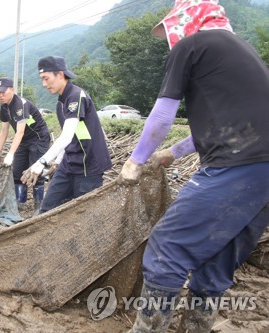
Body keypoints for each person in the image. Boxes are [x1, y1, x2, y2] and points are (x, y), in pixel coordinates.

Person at [117, 1, 269, 332]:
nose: (170, 38)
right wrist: (173, 152)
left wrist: (136, 160)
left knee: (167, 246)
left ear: (183, 21)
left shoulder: (192, 45)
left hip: (236, 165)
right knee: (217, 258)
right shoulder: (241, 51)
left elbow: (161, 114)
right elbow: (230, 122)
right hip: (263, 173)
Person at [21, 56, 112, 214]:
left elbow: (67, 136)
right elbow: (67, 137)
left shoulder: (76, 96)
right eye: (42, 79)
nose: (44, 84)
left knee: (83, 214)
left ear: (60, 75)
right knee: (47, 209)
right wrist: (56, 162)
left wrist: (41, 162)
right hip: (69, 164)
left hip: (88, 165)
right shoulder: (60, 103)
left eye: (46, 78)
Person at [0, 77, 51, 214]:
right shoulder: (4, 107)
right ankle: (20, 202)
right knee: (17, 172)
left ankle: (39, 206)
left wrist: (10, 154)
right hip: (23, 140)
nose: (0, 95)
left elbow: (20, 131)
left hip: (38, 138)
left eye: (3, 92)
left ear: (12, 90)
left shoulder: (20, 105)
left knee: (36, 171)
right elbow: (4, 130)